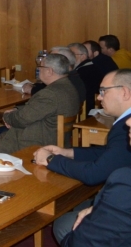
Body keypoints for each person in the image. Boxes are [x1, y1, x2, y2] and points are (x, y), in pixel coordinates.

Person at [36, 70, 131, 243]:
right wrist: (68, 152)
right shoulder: (124, 123)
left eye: (103, 91)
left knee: (63, 223)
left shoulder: (126, 126)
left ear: (124, 92)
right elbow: (112, 154)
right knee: (73, 205)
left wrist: (50, 160)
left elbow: (93, 174)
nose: (99, 98)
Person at [0, 54, 80, 155]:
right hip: (54, 139)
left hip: (34, 145)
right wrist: (16, 109)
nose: (38, 70)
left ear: (49, 71)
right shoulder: (69, 87)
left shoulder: (49, 94)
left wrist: (7, 116)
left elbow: (21, 119)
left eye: (40, 67)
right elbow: (36, 108)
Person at [60, 115, 131, 246]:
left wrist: (52, 159)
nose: (128, 121)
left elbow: (79, 242)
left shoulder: (124, 181)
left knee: (62, 224)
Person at [69, 42, 103, 111]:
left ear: (83, 57)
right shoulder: (91, 67)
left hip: (86, 109)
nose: (69, 58)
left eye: (72, 55)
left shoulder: (83, 72)